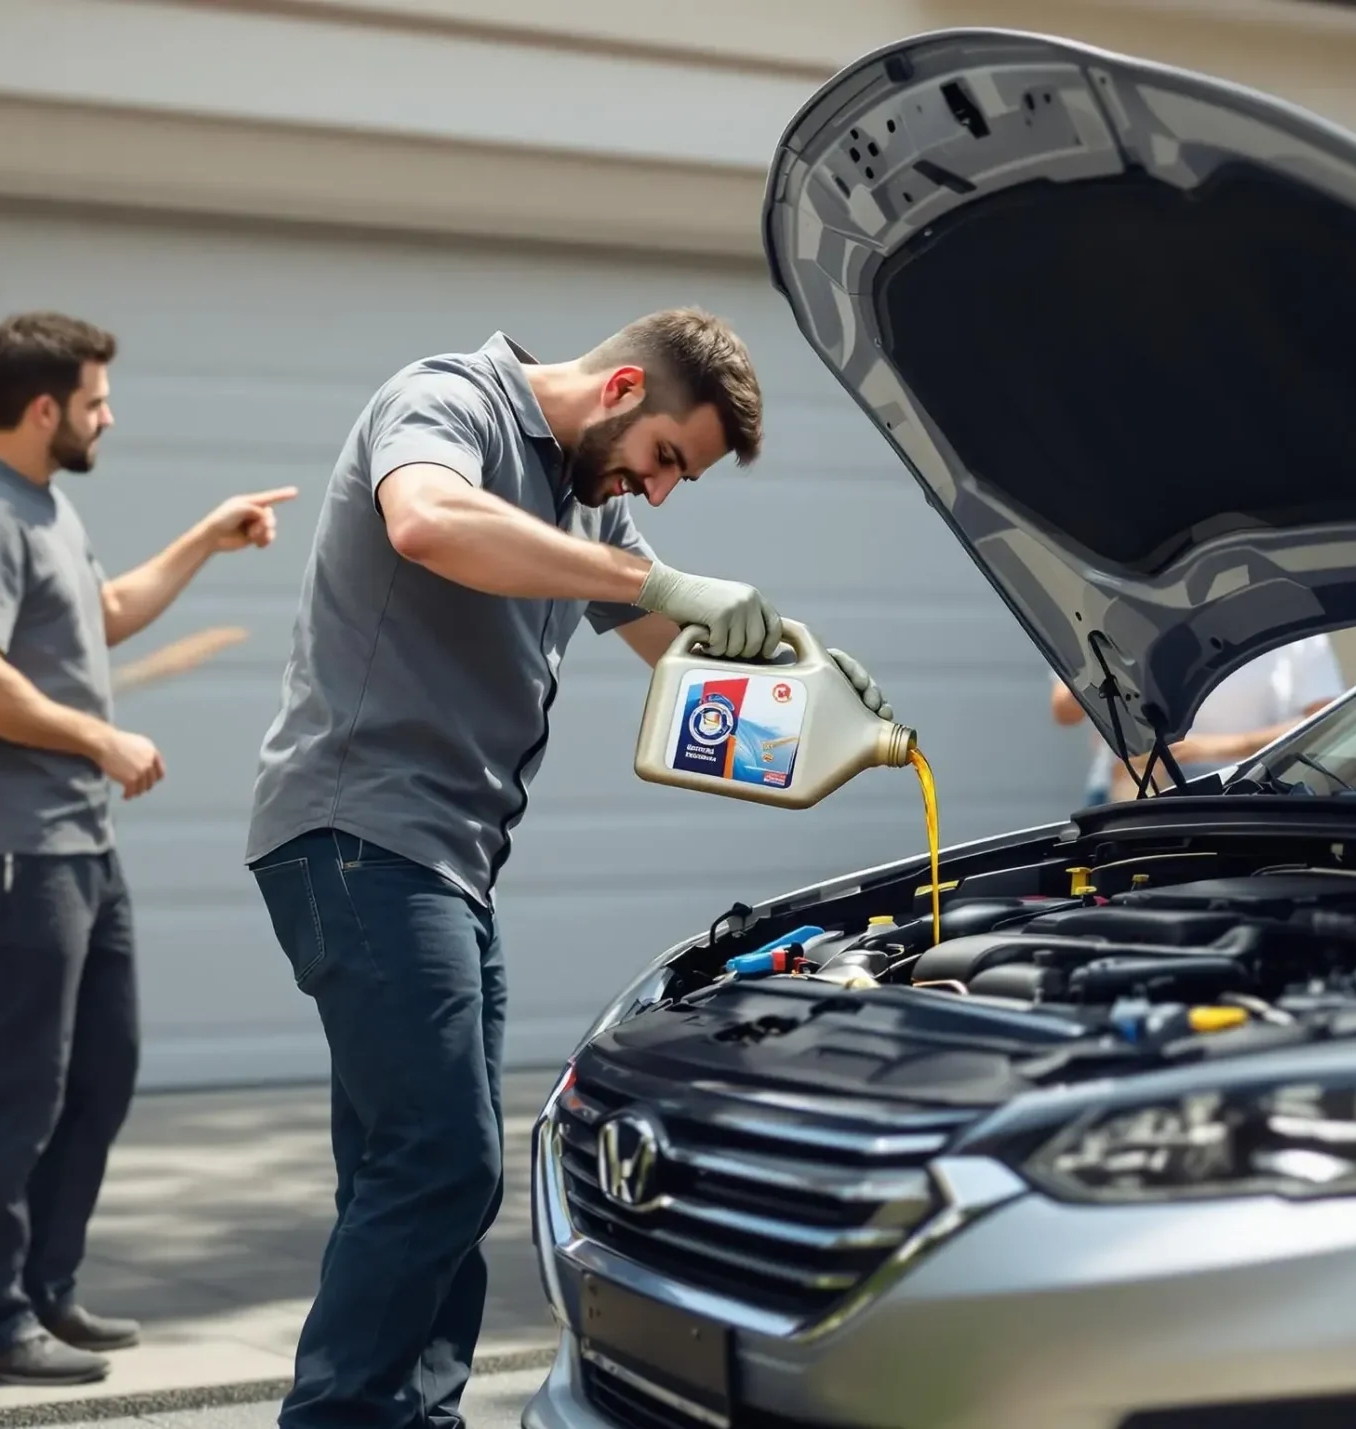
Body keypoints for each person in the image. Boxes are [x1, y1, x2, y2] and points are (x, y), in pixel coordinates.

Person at [243, 311, 891, 1429]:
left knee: (411, 1176)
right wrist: (655, 581)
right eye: (667, 459)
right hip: (361, 835)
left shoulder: (587, 499)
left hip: (446, 860)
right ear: (623, 388)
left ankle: (417, 1415)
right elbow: (427, 522)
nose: (661, 492)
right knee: (442, 1165)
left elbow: (682, 666)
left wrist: (817, 691)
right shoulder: (447, 401)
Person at [0, 311, 298, 1387]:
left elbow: (104, 613)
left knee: (103, 1072)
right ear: (45, 409)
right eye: (94, 401)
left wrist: (201, 539)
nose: (107, 416)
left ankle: (43, 1287)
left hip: (76, 844)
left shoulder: (46, 508)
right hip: (10, 847)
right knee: (19, 1088)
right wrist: (101, 735)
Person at [1050, 633, 1348, 801]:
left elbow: (1324, 721)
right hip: (1130, 788)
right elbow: (1064, 710)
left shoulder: (1290, 626)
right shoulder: (1128, 613)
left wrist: (1204, 749)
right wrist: (1108, 660)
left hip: (1251, 792)